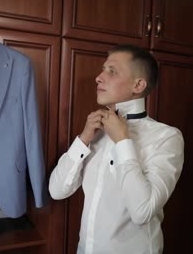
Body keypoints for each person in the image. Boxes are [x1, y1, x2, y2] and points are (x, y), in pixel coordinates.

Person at [49, 44, 184, 254]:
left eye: (112, 71)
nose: (99, 77)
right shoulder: (95, 133)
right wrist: (83, 139)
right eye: (103, 69)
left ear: (138, 85)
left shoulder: (166, 138)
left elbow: (143, 211)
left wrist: (122, 141)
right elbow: (56, 191)